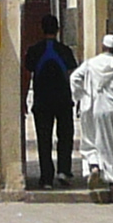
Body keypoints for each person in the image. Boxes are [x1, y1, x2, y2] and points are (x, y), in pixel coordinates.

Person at [69, 34, 113, 193]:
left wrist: (81, 96)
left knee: (90, 141)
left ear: (102, 47)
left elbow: (74, 77)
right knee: (111, 145)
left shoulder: (90, 64)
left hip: (91, 108)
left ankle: (94, 165)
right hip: (112, 109)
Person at [22, 14, 78, 189]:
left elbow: (26, 74)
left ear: (41, 29)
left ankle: (46, 178)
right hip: (63, 100)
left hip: (42, 101)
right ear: (58, 29)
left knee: (44, 139)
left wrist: (23, 99)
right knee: (66, 137)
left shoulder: (34, 51)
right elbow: (73, 74)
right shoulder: (65, 51)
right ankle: (64, 171)